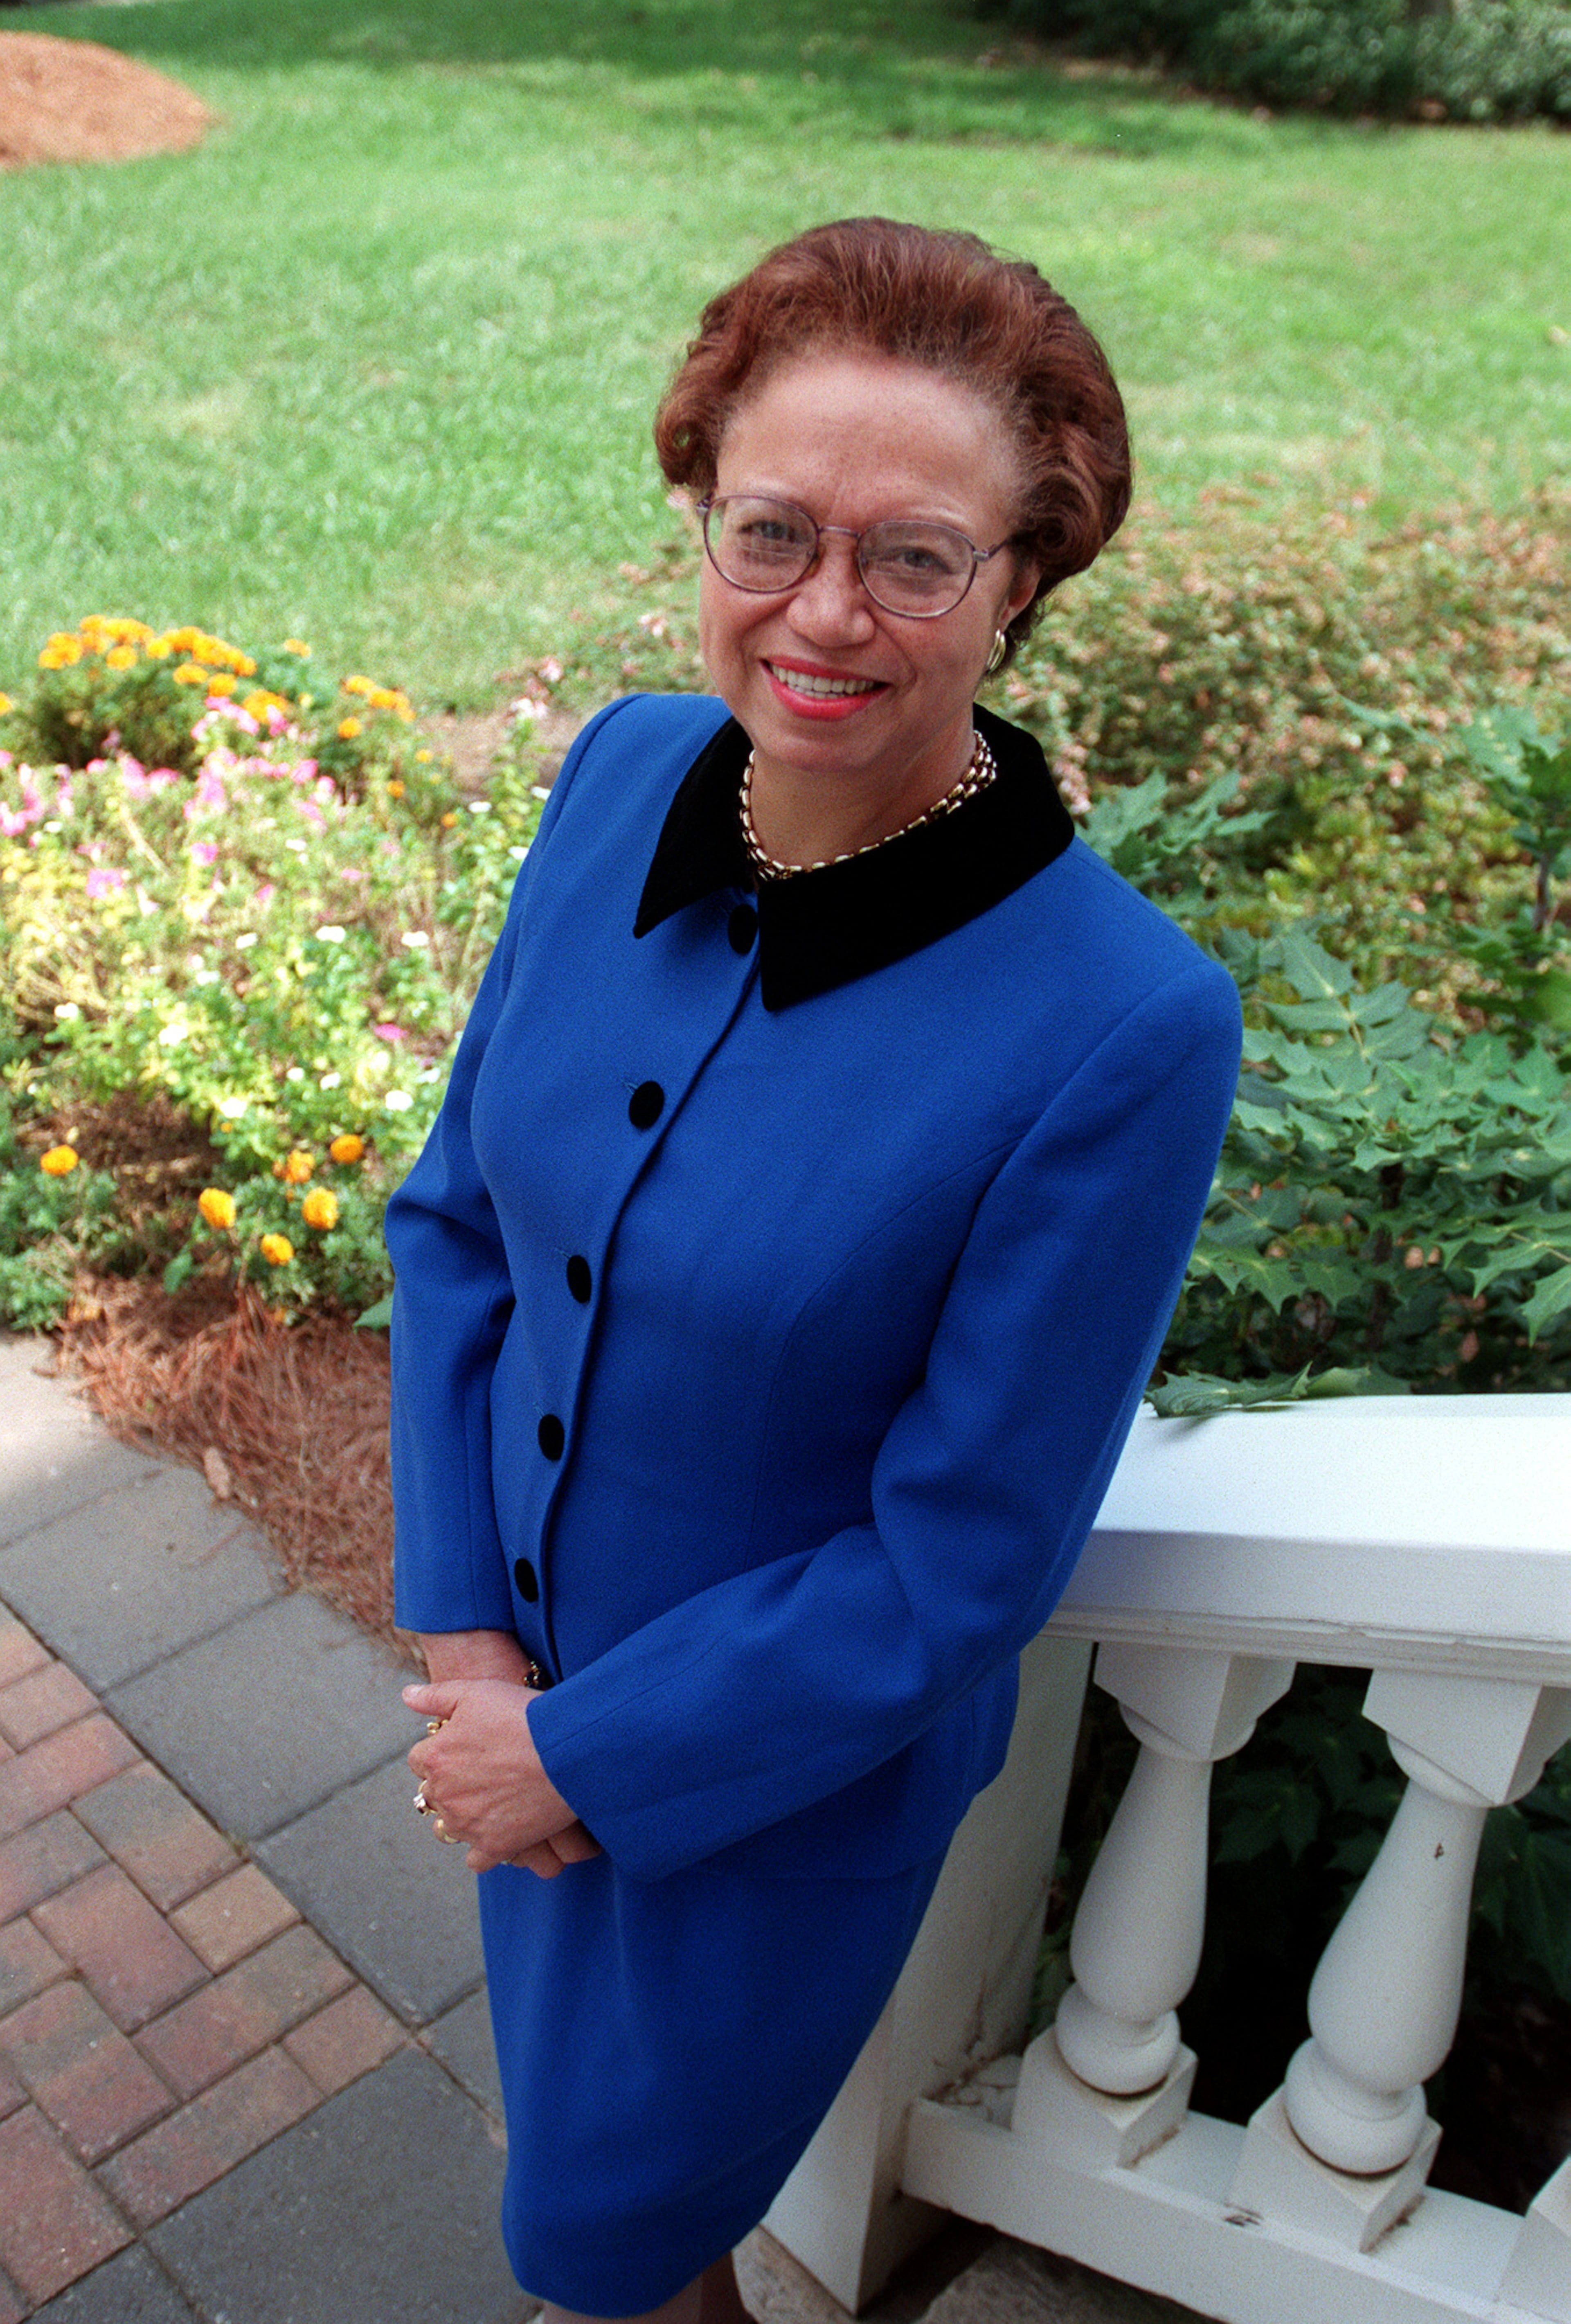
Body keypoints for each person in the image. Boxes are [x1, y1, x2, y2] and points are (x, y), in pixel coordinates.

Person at [390, 217, 1242, 2324]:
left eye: (917, 556)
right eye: (769, 530)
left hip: (761, 1804)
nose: (825, 615)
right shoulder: (616, 779)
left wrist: (583, 1758)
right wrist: (469, 1639)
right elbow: (458, 1223)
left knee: (596, 2237)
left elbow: (961, 1559)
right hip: (509, 1714)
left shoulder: (1123, 1022)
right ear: (703, 509)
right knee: (621, 2211)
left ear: (1022, 580)